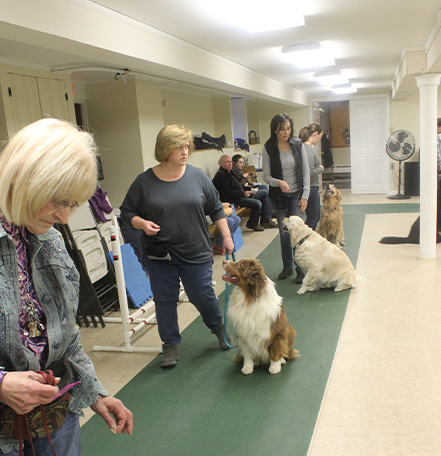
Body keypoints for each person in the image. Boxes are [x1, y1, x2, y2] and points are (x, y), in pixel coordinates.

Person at [0, 118, 133, 455]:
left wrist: (96, 393)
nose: (64, 217)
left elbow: (66, 334)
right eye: (58, 201)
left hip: (56, 416)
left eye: (72, 205)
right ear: (24, 180)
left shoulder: (52, 242)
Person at [120, 125, 234, 368]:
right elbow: (126, 212)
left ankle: (219, 328)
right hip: (160, 253)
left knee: (201, 294)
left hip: (195, 249)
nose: (185, 151)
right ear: (164, 149)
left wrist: (226, 236)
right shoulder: (144, 182)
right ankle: (170, 344)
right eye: (178, 147)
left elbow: (215, 208)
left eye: (186, 146)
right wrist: (141, 223)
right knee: (165, 299)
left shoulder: (197, 176)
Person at [262, 113, 310, 281]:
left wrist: (305, 196)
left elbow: (305, 171)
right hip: (280, 196)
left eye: (288, 128)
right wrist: (278, 182)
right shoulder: (269, 147)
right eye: (282, 129)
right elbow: (266, 176)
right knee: (284, 233)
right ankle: (287, 267)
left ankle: (301, 269)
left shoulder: (298, 144)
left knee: (297, 231)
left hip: (297, 195)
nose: (286, 132)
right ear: (275, 129)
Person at [212, 155, 278, 231]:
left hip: (239, 195)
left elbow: (239, 186)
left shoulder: (230, 173)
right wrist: (243, 194)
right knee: (257, 203)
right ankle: (252, 223)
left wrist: (250, 189)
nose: (230, 164)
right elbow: (226, 192)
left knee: (264, 192)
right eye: (227, 162)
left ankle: (266, 220)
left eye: (230, 162)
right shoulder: (220, 175)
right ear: (221, 163)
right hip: (232, 199)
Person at [299, 124, 324, 230]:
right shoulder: (308, 149)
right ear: (315, 134)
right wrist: (320, 168)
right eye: (320, 137)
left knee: (314, 217)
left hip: (311, 187)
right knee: (313, 218)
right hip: (311, 187)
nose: (319, 140)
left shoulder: (305, 148)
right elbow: (308, 171)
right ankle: (305, 241)